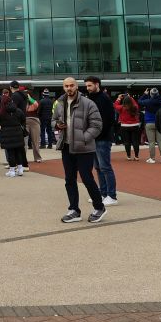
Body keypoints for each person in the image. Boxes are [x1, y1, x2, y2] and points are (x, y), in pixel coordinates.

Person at [54, 77, 106, 223]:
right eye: (66, 86)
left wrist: (83, 138)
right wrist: (57, 125)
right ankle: (74, 210)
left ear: (76, 86)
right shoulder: (59, 103)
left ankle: (99, 207)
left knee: (86, 177)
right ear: (63, 87)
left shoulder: (88, 103)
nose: (69, 88)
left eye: (71, 85)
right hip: (66, 146)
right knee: (69, 179)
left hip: (84, 148)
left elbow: (96, 125)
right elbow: (53, 119)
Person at [84, 76, 119, 206]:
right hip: (94, 138)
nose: (88, 88)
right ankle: (103, 193)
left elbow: (109, 120)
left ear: (97, 84)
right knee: (98, 167)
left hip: (102, 138)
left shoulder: (104, 99)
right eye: (87, 86)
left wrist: (97, 134)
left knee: (105, 167)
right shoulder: (91, 98)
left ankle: (112, 195)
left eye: (90, 85)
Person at [0, 92, 28, 178]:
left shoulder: (1, 112)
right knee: (18, 151)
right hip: (18, 133)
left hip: (7, 134)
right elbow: (23, 119)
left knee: (10, 153)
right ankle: (20, 169)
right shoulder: (18, 110)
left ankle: (12, 170)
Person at [138, 88, 161, 163]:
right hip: (159, 123)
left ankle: (152, 158)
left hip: (149, 123)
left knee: (151, 142)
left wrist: (145, 94)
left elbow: (139, 101)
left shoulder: (148, 101)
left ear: (151, 94)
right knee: (160, 142)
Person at [114, 91, 141, 160]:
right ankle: (136, 156)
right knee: (135, 141)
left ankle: (128, 156)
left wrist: (119, 98)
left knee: (127, 142)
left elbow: (115, 105)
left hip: (124, 126)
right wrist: (130, 97)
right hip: (135, 125)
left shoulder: (121, 107)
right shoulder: (135, 107)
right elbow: (135, 103)